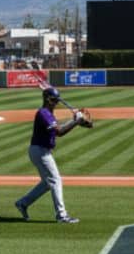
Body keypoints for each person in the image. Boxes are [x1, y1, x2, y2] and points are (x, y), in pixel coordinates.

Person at [15, 87, 88, 224]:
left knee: (47, 183)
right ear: (47, 99)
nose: (55, 103)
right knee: (56, 180)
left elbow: (60, 129)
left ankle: (23, 203)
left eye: (57, 101)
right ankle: (61, 215)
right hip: (39, 151)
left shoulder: (48, 113)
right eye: (53, 100)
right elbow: (59, 132)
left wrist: (77, 122)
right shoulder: (43, 113)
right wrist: (76, 121)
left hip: (41, 150)